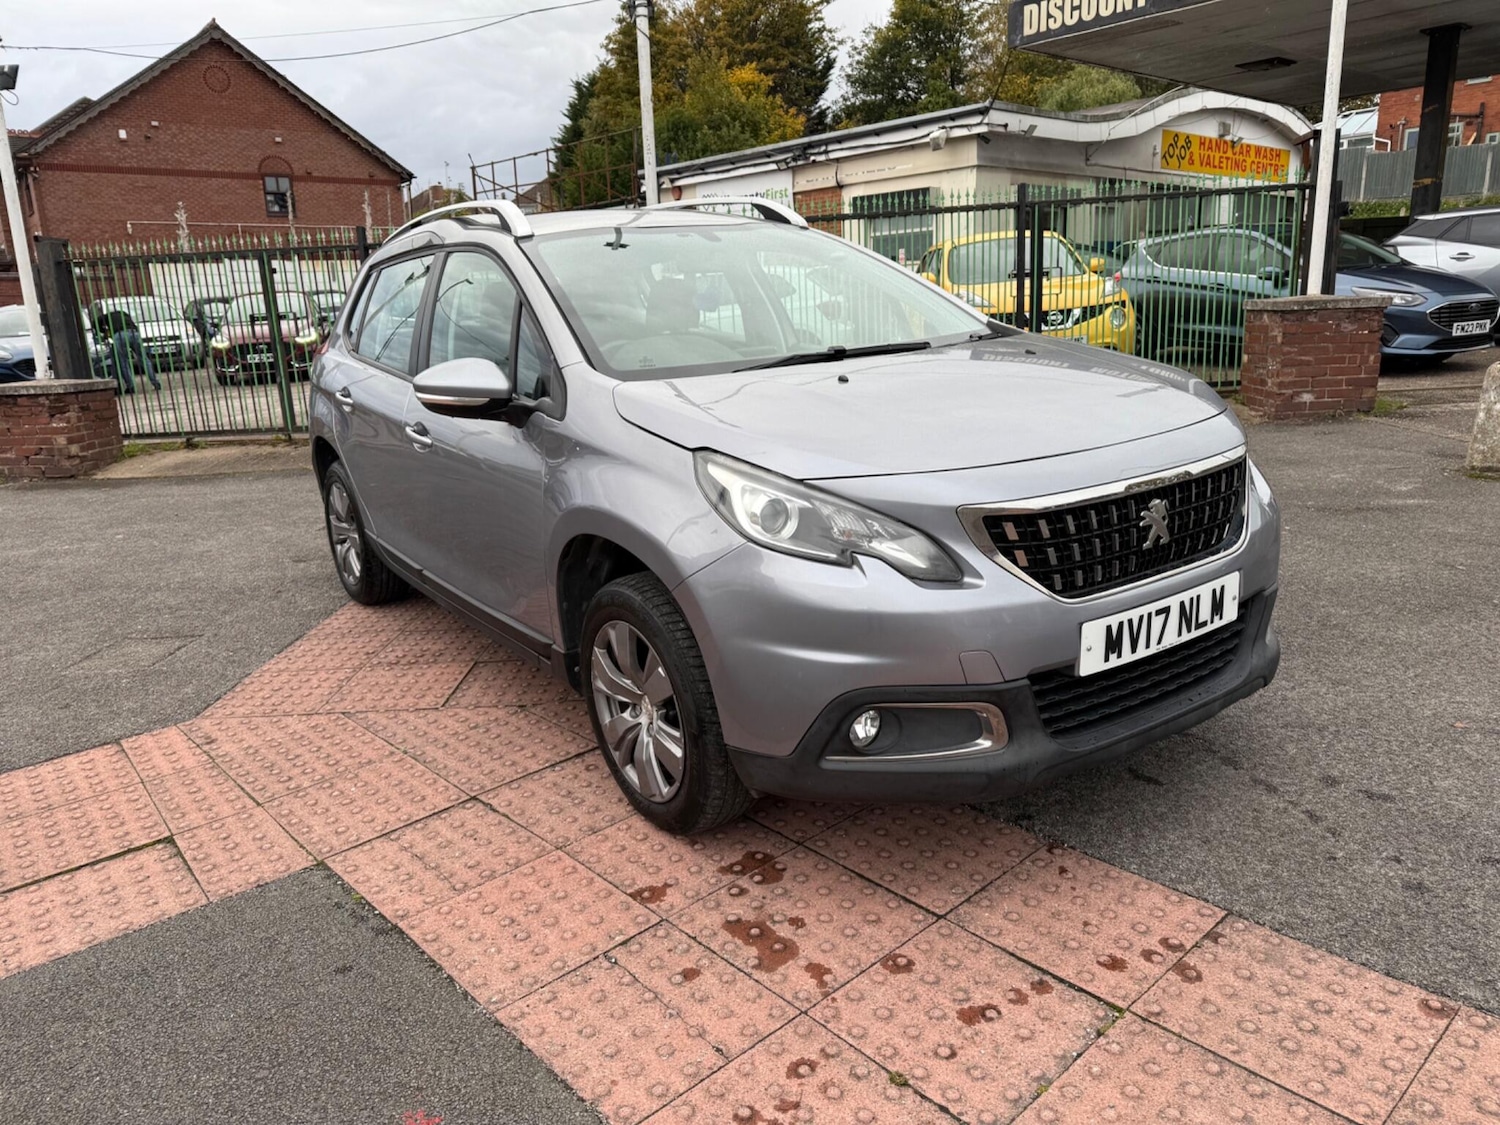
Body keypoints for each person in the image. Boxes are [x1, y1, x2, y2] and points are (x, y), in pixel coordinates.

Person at [95, 307, 160, 393]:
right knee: (144, 359)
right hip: (134, 333)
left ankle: (131, 386)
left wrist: (103, 332)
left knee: (123, 362)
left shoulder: (105, 317)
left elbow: (94, 323)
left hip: (120, 336)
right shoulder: (123, 313)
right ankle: (155, 383)